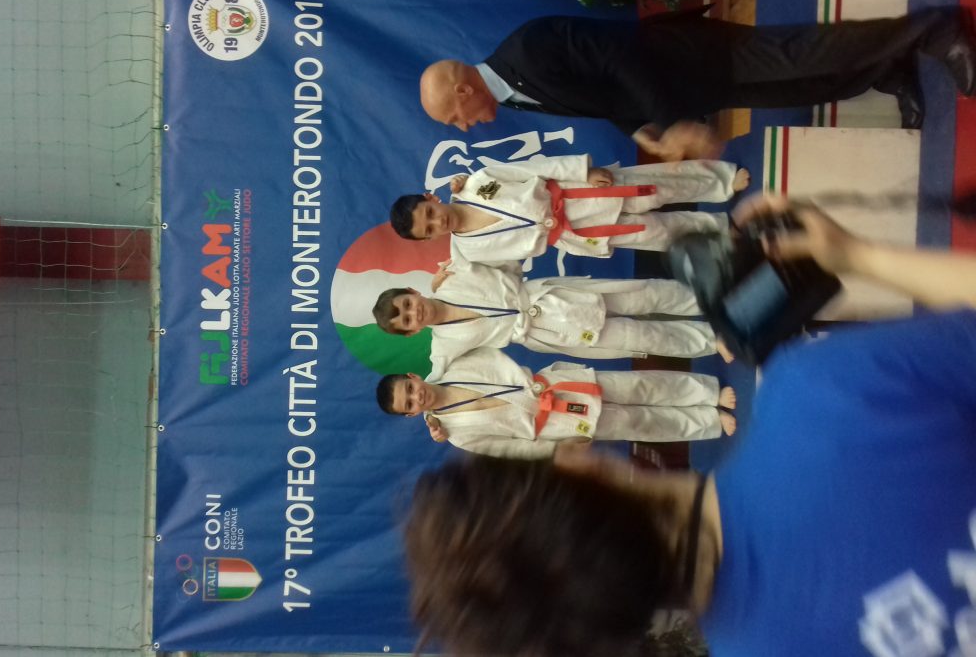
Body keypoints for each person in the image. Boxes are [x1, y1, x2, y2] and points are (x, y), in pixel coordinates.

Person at [400, 196, 976, 657]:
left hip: (567, 325)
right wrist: (858, 256)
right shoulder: (819, 393)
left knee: (656, 331)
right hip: (567, 375)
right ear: (579, 462)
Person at [419, 7, 976, 160]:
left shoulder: (528, 48)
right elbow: (603, 91)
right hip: (693, 88)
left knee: (807, 51)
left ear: (463, 92)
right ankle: (887, 68)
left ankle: (936, 30)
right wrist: (640, 128)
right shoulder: (516, 94)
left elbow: (620, 58)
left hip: (696, 56)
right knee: (800, 89)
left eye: (454, 118)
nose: (463, 128)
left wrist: (673, 123)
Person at [377, 346, 736, 458]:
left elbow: (462, 330)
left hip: (553, 387)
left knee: (638, 386)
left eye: (409, 389)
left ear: (413, 376)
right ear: (410, 414)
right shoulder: (456, 433)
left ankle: (707, 394)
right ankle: (708, 422)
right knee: (636, 424)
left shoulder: (452, 363)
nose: (415, 397)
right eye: (408, 404)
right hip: (553, 425)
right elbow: (510, 449)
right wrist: (557, 449)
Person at [389, 153, 748, 258]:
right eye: (429, 230)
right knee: (655, 233)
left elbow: (532, 168)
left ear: (432, 198)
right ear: (428, 240)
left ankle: (721, 180)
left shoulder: (478, 181)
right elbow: (483, 280)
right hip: (573, 234)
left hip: (573, 193)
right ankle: (718, 230)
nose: (438, 223)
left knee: (655, 187)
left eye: (430, 214)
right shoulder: (468, 251)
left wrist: (582, 171)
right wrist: (445, 278)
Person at [372, 259, 726, 363]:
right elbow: (435, 383)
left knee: (641, 295)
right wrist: (434, 420)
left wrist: (461, 186)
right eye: (407, 321)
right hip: (545, 333)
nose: (414, 313)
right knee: (640, 336)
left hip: (548, 294)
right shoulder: (444, 347)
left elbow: (492, 247)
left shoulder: (455, 273)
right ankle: (713, 341)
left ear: (412, 291)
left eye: (407, 305)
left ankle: (712, 296)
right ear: (412, 332)